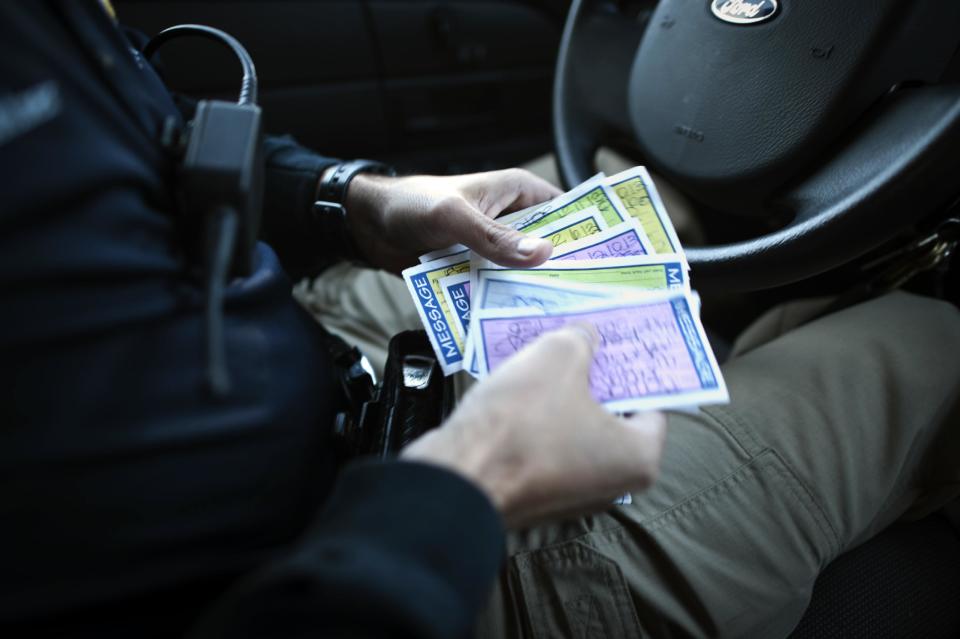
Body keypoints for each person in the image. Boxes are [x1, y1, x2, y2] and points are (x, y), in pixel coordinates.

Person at [1, 3, 957, 638]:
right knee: (928, 344)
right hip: (398, 569)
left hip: (311, 346)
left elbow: (146, 138)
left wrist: (354, 198)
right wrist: (479, 477)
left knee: (648, 195)